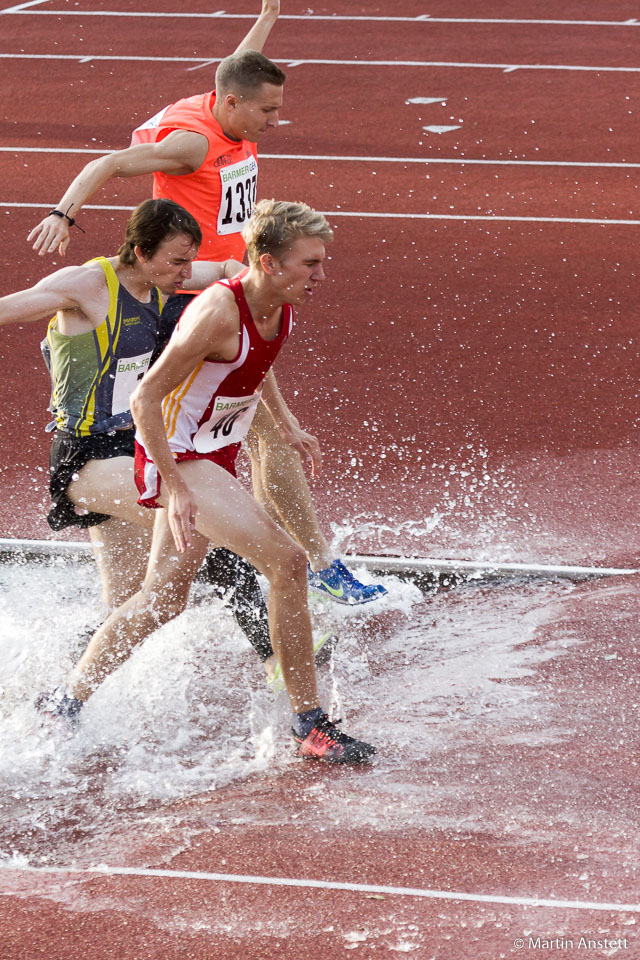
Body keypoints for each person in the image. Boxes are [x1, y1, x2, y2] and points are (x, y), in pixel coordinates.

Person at [26, 0, 387, 608]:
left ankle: (169, 588)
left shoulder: (230, 101)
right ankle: (312, 566)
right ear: (231, 105)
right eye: (267, 110)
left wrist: (269, 14)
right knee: (265, 434)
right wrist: (64, 213)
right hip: (197, 302)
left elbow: (236, 66)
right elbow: (109, 162)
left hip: (230, 285)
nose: (275, 120)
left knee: (263, 435)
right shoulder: (192, 145)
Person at [58, 200, 377, 764]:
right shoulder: (218, 310)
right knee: (286, 560)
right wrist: (174, 486)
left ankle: (64, 700)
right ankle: (310, 724)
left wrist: (285, 422)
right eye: (310, 264)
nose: (321, 276)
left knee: (163, 599)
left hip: (211, 454)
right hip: (178, 457)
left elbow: (257, 363)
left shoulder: (278, 301)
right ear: (270, 263)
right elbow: (145, 396)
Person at [0, 197, 308, 684]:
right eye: (177, 261)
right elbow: (10, 309)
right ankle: (274, 656)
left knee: (131, 605)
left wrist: (264, 266)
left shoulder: (165, 280)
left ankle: (50, 684)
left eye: (190, 260)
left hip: (136, 450)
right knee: (206, 528)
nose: (187, 273)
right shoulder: (85, 285)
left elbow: (235, 274)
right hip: (87, 460)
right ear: (141, 252)